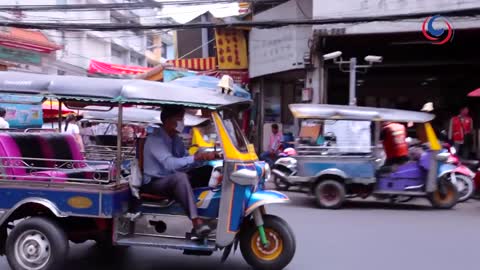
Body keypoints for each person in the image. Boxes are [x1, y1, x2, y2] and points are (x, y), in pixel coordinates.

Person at [142, 105, 216, 236]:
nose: (182, 122)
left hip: (170, 179)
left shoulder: (175, 139)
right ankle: (196, 222)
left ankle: (204, 211)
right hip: (154, 183)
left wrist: (202, 158)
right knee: (180, 177)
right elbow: (170, 164)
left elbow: (186, 160)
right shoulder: (155, 139)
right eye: (180, 119)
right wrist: (193, 158)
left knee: (206, 170)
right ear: (169, 121)